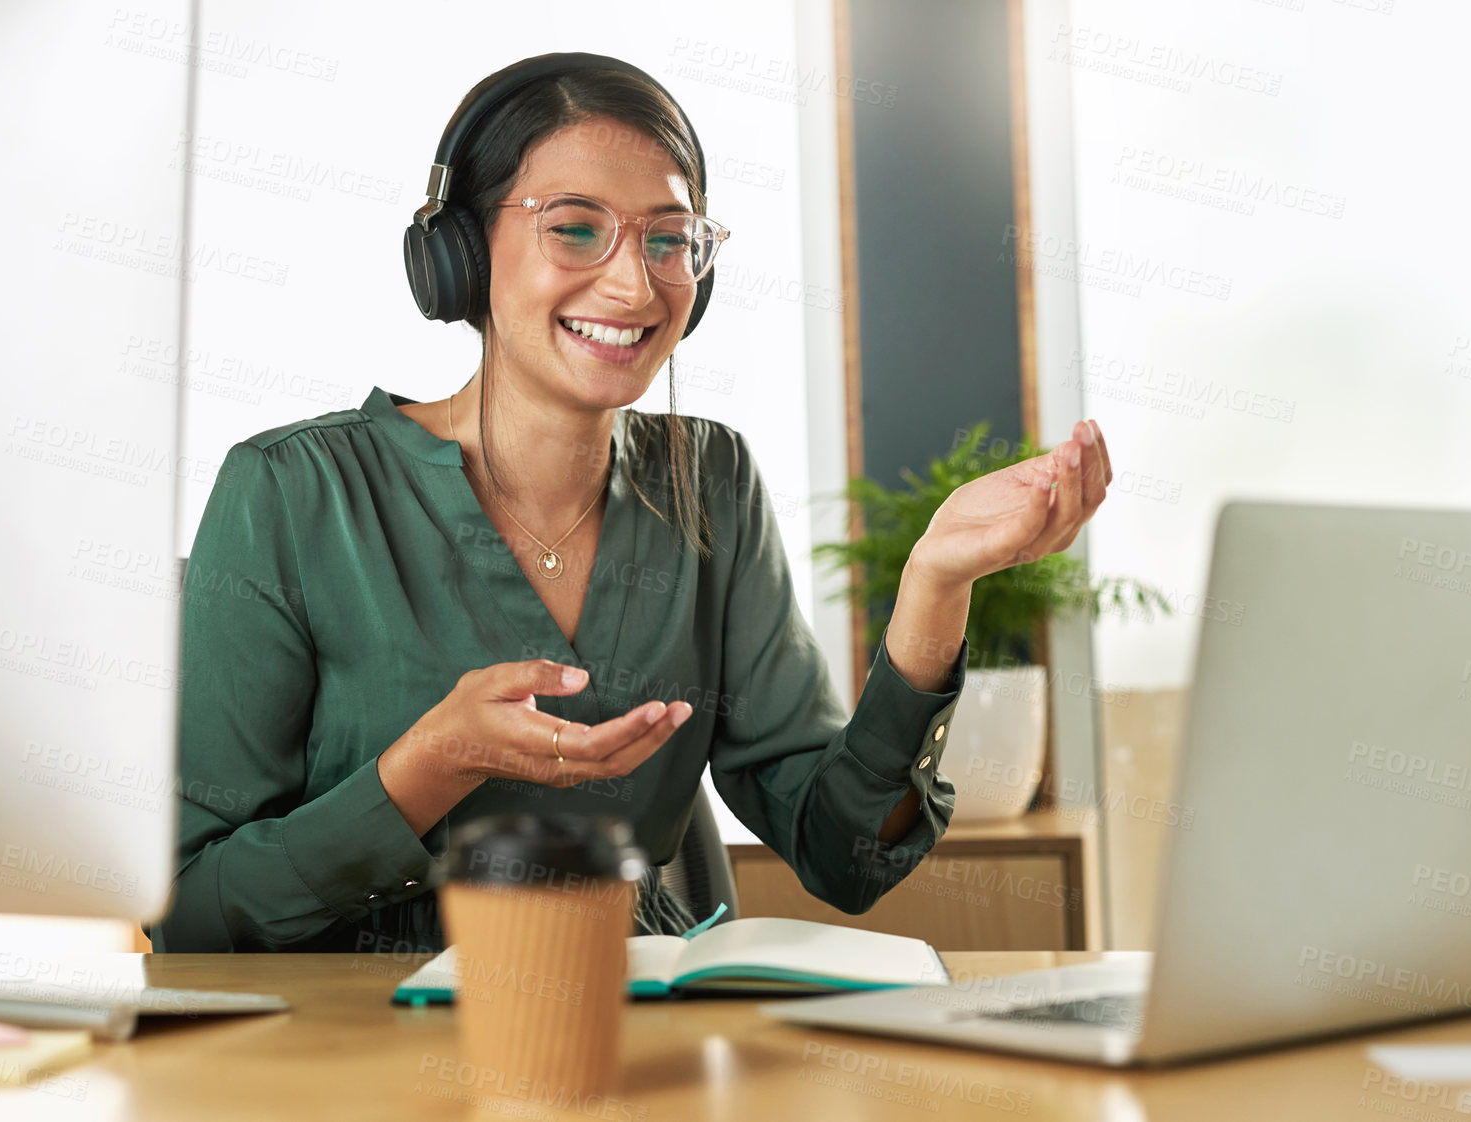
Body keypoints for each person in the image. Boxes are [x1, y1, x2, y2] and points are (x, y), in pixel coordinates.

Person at [148, 56, 1111, 953]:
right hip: (343, 1044)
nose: (632, 281)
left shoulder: (710, 482)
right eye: (573, 227)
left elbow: (843, 855)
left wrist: (935, 588)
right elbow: (192, 911)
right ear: (459, 254)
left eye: (668, 239)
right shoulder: (291, 491)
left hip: (635, 1020)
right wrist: (430, 764)